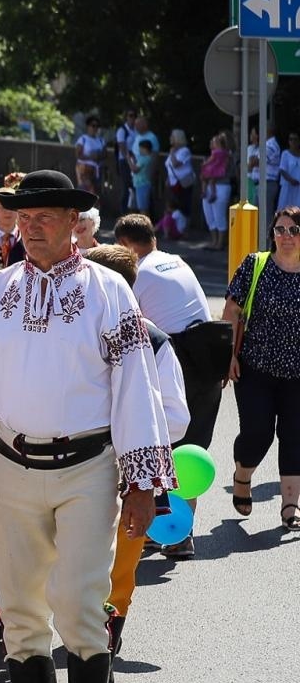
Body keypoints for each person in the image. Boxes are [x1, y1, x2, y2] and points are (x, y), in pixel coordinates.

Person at [0, 170, 175, 683]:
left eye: (44, 217)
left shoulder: (108, 291)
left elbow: (135, 387)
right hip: (12, 464)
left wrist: (142, 484)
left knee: (80, 606)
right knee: (19, 608)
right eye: (23, 218)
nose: (30, 227)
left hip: (87, 466)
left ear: (74, 222)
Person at [80, 243, 190, 667]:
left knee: (121, 566)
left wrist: (131, 425)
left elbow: (176, 417)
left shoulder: (154, 340)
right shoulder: (73, 334)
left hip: (130, 473)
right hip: (76, 466)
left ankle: (109, 634)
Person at [112, 213, 225, 559]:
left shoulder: (138, 273)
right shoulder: (175, 260)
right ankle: (179, 533)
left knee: (166, 447)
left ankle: (162, 529)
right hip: (208, 357)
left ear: (126, 246)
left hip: (179, 359)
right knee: (190, 451)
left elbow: (124, 319)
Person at [224, 207, 300, 531]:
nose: (286, 236)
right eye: (280, 230)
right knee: (258, 432)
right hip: (255, 368)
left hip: (297, 375)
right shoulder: (255, 265)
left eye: (294, 230)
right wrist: (228, 355)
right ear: (272, 234)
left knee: (295, 436)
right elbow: (232, 310)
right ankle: (242, 476)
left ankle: (290, 505)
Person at [200, 133, 232, 251]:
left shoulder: (226, 157)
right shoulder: (211, 157)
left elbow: (225, 171)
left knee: (219, 215)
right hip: (209, 186)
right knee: (209, 215)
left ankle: (220, 242)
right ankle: (214, 241)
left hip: (222, 185)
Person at [74, 116, 105, 195]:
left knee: (96, 191)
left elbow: (105, 154)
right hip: (84, 169)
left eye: (97, 126)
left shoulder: (101, 140)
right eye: (93, 126)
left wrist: (98, 156)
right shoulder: (83, 139)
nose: (95, 128)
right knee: (87, 190)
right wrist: (90, 157)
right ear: (88, 127)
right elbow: (78, 154)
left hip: (97, 169)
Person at [279, 133, 300, 211]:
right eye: (291, 139)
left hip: (298, 188)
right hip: (287, 187)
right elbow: (282, 170)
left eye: (295, 139)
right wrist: (290, 180)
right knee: (285, 210)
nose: (293, 141)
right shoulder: (285, 154)